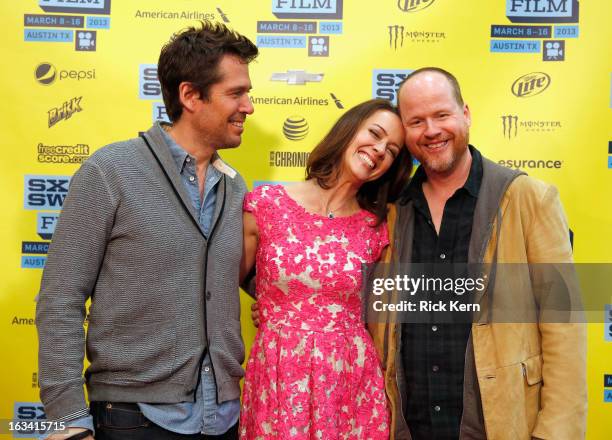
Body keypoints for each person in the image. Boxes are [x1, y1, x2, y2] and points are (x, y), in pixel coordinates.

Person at [36, 21, 258, 440]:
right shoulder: (111, 171)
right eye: (236, 93)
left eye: (247, 93)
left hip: (224, 418)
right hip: (133, 420)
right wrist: (67, 420)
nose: (248, 106)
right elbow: (60, 300)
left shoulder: (235, 184)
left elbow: (235, 280)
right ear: (190, 95)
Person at [369, 67, 587, 439]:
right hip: (410, 428)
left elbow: (564, 328)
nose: (432, 131)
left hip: (502, 426)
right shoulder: (392, 211)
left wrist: (556, 433)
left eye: (441, 115)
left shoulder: (529, 198)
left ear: (465, 114)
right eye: (416, 121)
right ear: (404, 132)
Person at [239, 99, 412, 439]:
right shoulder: (267, 203)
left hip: (351, 381)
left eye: (391, 150)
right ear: (348, 130)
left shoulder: (381, 225)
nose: (378, 150)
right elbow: (226, 279)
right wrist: (276, 305)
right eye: (374, 134)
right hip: (280, 376)